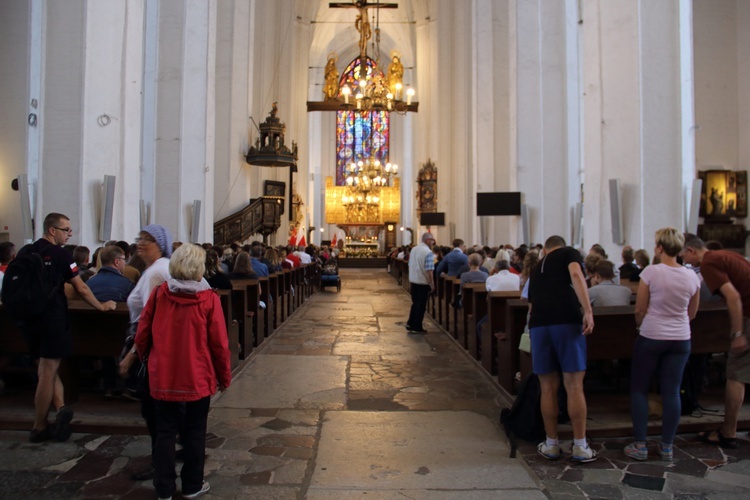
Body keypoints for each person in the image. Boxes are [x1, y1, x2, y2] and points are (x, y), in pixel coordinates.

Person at [134, 244, 231, 499]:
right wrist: (224, 376)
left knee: (165, 432)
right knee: (195, 432)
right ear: (199, 269)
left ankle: (164, 489)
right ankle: (192, 486)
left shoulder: (159, 294)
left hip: (163, 374)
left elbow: (142, 333)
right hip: (196, 375)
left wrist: (147, 358)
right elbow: (219, 343)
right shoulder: (209, 299)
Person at [18, 213, 117, 443]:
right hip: (51, 318)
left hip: (28, 319)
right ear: (52, 230)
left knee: (46, 368)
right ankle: (39, 426)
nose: (69, 233)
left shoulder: (26, 252)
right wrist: (100, 307)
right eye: (66, 229)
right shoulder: (61, 254)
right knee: (47, 372)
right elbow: (81, 288)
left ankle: (61, 407)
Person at [624, 228, 700, 461]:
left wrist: (641, 326)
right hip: (680, 338)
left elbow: (640, 309)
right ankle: (667, 445)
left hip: (652, 335)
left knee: (639, 388)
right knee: (671, 391)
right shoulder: (691, 276)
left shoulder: (651, 272)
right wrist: (676, 324)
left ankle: (640, 445)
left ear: (659, 248)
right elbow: (693, 313)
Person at [529, 235, 596, 462]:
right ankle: (579, 445)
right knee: (574, 385)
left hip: (539, 326)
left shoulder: (536, 268)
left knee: (547, 387)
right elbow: (576, 274)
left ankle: (551, 443)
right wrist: (587, 310)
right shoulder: (569, 253)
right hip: (566, 322)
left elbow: (531, 304)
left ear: (545, 249)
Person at [682, 234, 750, 449]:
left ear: (692, 250)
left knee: (736, 374)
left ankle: (727, 432)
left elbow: (733, 297)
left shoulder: (709, 263)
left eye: (683, 255)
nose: (684, 261)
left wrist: (738, 333)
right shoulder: (725, 254)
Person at [119, 224, 173, 480]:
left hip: (149, 347)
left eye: (148, 239)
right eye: (140, 238)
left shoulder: (156, 272)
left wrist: (132, 354)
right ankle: (165, 456)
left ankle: (161, 462)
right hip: (149, 344)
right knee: (154, 408)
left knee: (153, 409)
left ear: (161, 244)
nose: (141, 243)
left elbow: (151, 318)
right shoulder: (155, 269)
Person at [406, 232, 435, 334]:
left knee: (415, 303)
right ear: (427, 240)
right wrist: (432, 283)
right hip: (422, 282)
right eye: (432, 240)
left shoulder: (414, 249)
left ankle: (410, 323)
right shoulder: (428, 252)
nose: (433, 242)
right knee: (421, 305)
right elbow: (429, 270)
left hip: (413, 280)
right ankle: (416, 327)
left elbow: (410, 264)